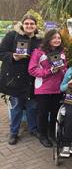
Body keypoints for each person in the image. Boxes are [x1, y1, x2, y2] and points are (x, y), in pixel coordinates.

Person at [0, 14, 41, 145]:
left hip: (32, 79)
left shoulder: (39, 40)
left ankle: (33, 129)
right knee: (16, 106)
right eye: (27, 23)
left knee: (32, 105)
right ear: (22, 24)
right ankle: (14, 132)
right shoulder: (12, 36)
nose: (29, 26)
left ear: (36, 26)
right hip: (15, 78)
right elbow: (1, 53)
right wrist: (13, 56)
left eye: (32, 24)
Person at [28, 29, 67, 148]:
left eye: (59, 38)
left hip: (57, 88)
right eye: (54, 38)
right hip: (43, 88)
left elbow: (64, 68)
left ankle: (52, 133)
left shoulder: (61, 52)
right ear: (48, 39)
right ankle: (43, 135)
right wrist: (49, 71)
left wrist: (65, 73)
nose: (57, 40)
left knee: (55, 112)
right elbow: (32, 69)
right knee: (43, 113)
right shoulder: (39, 52)